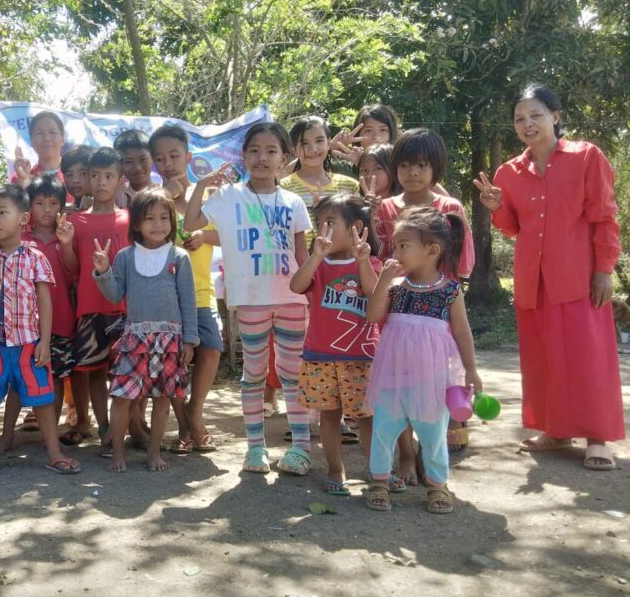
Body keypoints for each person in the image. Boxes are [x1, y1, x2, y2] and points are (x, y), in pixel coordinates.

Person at [475, 84, 624, 469]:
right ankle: (555, 431)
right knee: (542, 357)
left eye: (536, 115)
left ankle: (598, 438)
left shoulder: (586, 157)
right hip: (533, 280)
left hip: (579, 277)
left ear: (556, 117)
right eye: (519, 119)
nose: (527, 124)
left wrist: (604, 269)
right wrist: (496, 207)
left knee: (588, 357)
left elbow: (605, 217)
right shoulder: (508, 172)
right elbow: (513, 227)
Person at [183, 122, 313, 475]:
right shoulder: (227, 197)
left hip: (291, 300)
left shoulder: (294, 202)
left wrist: (311, 296)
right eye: (254, 150)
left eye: (272, 151)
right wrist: (202, 185)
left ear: (285, 158)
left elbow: (302, 254)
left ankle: (301, 447)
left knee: (292, 373)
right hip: (251, 301)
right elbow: (190, 222)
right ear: (243, 156)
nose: (262, 157)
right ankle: (256, 449)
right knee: (253, 373)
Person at [0, 184, 81, 479]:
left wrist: (45, 342)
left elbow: (45, 303)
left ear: (23, 219)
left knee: (43, 400)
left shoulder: (36, 258)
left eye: (1, 212)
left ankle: (55, 454)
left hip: (28, 346)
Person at [364, 206, 481, 514]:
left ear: (431, 250)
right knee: (384, 429)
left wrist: (471, 370)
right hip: (392, 376)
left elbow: (462, 331)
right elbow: (373, 316)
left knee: (433, 433)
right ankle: (379, 481)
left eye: (403, 245)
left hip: (431, 380)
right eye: (395, 245)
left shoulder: (450, 291)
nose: (395, 251)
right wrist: (383, 280)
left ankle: (438, 485)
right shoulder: (395, 288)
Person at [93, 189, 198, 472]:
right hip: (134, 339)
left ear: (172, 222)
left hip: (170, 340)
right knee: (123, 396)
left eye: (164, 217)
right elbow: (115, 295)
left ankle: (155, 452)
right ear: (136, 223)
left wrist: (190, 339)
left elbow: (188, 300)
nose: (158, 224)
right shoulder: (126, 257)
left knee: (163, 399)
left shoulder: (180, 256)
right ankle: (117, 454)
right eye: (149, 218)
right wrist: (103, 271)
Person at [289, 195, 387, 494]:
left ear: (356, 227)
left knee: (366, 417)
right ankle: (335, 468)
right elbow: (296, 286)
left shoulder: (370, 262)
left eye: (330, 223)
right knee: (329, 414)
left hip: (362, 356)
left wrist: (361, 262)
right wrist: (315, 257)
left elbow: (375, 294)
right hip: (320, 355)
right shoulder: (318, 264)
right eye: (319, 224)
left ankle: (376, 470)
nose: (323, 230)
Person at [149, 124, 222, 454]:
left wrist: (205, 237)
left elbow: (230, 236)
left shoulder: (207, 196)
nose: (168, 163)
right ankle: (186, 426)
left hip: (201, 293)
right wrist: (167, 196)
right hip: (165, 297)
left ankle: (195, 409)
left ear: (188, 157)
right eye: (160, 159)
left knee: (211, 348)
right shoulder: (154, 200)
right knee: (173, 363)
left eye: (174, 156)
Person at [57, 147, 131, 455]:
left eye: (108, 176)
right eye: (95, 176)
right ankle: (105, 430)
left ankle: (131, 428)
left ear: (120, 180)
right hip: (88, 309)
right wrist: (64, 243)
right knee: (96, 372)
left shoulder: (130, 220)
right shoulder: (78, 223)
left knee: (127, 371)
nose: (101, 182)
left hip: (125, 308)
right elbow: (72, 268)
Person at [0, 173, 79, 451]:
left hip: (60, 322)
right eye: (40, 203)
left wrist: (66, 244)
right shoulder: (21, 238)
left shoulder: (65, 236)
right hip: (22, 325)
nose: (47, 209)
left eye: (53, 203)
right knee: (16, 382)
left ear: (62, 206)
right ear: (28, 207)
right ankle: (7, 435)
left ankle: (51, 435)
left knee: (55, 378)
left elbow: (72, 273)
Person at [373, 129, 474, 278]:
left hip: (440, 296)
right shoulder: (382, 208)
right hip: (394, 296)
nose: (412, 172)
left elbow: (462, 264)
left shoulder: (450, 208)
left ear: (436, 167)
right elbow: (376, 257)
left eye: (421, 165)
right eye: (404, 165)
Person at [280, 116, 360, 223]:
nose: (313, 149)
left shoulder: (350, 186)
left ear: (329, 143)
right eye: (304, 143)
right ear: (293, 150)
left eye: (319, 141)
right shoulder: (284, 188)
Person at [13, 111, 65, 185]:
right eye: (39, 133)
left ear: (62, 140)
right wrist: (23, 179)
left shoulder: (76, 175)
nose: (47, 138)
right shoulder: (21, 177)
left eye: (52, 132)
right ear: (31, 141)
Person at [114, 128, 154, 207]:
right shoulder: (115, 194)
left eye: (143, 159)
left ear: (152, 158)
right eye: (129, 162)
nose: (137, 168)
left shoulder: (163, 191)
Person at [62, 145, 93, 211]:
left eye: (83, 173)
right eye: (69, 175)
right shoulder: (64, 214)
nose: (75, 180)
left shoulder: (110, 209)